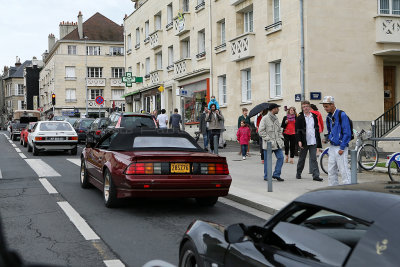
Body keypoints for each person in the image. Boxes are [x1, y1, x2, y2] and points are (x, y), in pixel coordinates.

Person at [321, 96, 351, 186]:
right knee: (331, 170)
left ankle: (348, 189)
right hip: (332, 146)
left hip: (341, 147)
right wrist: (327, 139)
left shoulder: (342, 115)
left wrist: (342, 147)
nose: (325, 108)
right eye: (324, 107)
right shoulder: (329, 117)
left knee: (344, 170)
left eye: (326, 106)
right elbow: (330, 131)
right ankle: (333, 189)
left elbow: (347, 132)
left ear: (332, 105)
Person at [295, 101, 323, 181]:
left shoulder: (314, 116)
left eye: (307, 106)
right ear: (302, 108)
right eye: (304, 107)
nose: (305, 108)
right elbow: (297, 130)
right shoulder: (300, 117)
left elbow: (316, 128)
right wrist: (299, 140)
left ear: (309, 107)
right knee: (302, 158)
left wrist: (318, 139)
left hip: (313, 140)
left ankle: (316, 175)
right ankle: (298, 173)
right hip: (304, 141)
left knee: (313, 159)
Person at [258, 103, 285, 182]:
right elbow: (261, 131)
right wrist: (269, 140)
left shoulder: (276, 118)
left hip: (277, 143)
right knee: (268, 161)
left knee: (281, 158)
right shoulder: (265, 118)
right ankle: (267, 176)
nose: (278, 109)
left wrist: (281, 138)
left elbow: (279, 130)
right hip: (269, 143)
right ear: (273, 109)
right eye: (277, 108)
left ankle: (276, 174)